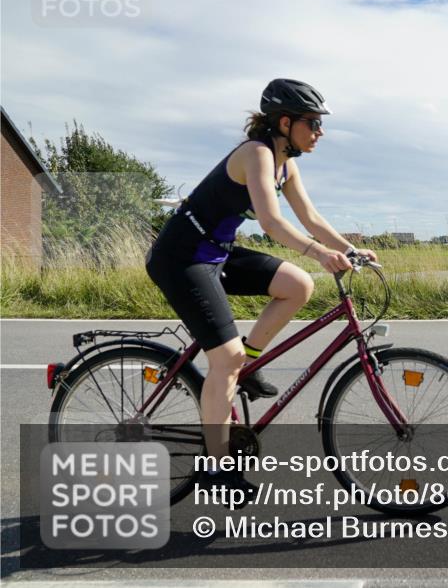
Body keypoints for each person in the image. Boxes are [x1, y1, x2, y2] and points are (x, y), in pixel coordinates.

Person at [146, 78, 377, 499]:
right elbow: (272, 223)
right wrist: (319, 253)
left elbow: (309, 216)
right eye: (313, 123)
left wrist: (348, 248)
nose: (320, 132)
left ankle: (246, 369)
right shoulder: (256, 154)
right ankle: (216, 471)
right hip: (182, 257)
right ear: (285, 122)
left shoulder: (287, 163)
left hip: (216, 252)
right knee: (225, 359)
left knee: (297, 284)